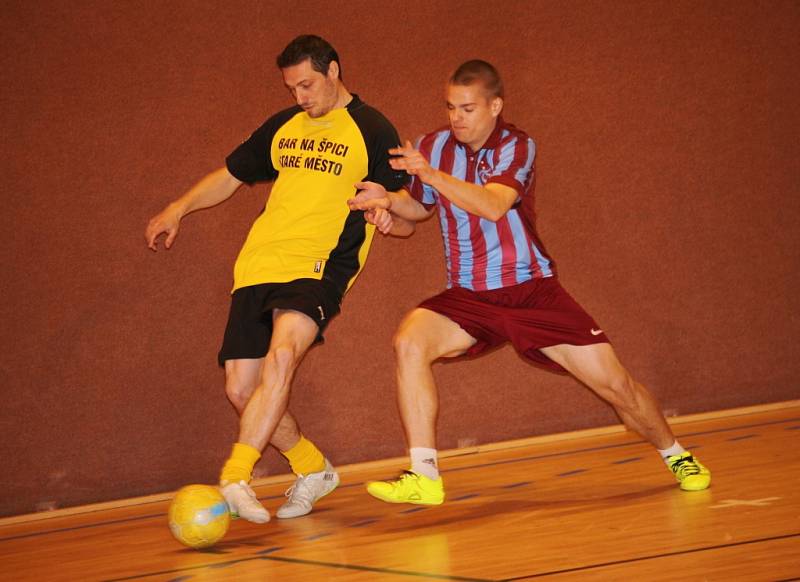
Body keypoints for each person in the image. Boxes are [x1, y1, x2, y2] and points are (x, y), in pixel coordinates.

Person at [347, 60, 711, 506]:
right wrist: (387, 203)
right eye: (450, 108)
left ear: (495, 106)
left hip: (532, 292)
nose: (456, 118)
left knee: (618, 388)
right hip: (469, 294)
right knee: (409, 341)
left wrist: (431, 176)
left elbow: (494, 206)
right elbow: (419, 211)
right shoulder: (433, 148)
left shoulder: (517, 146)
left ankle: (677, 455)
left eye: (467, 108)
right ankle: (424, 474)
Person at [145, 35, 407, 522]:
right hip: (259, 263)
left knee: (282, 355)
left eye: (307, 84)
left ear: (333, 70)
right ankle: (313, 469)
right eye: (292, 89)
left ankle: (236, 476)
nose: (301, 97)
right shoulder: (284, 127)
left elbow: (407, 205)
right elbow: (230, 174)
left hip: (319, 265)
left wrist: (391, 209)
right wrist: (178, 207)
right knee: (242, 390)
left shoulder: (371, 127)